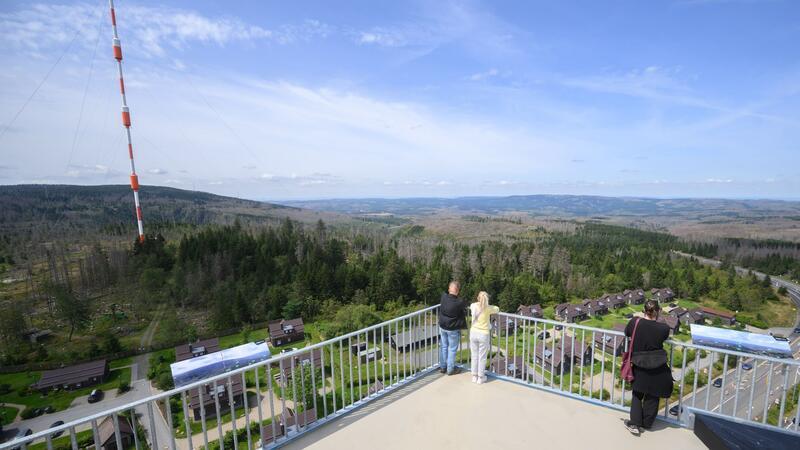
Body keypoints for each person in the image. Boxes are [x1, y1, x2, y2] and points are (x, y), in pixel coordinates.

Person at [624, 300, 673, 435]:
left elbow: (627, 332)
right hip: (657, 366)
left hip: (639, 364)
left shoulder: (635, 322)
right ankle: (647, 423)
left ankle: (635, 423)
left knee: (637, 393)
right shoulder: (664, 329)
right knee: (653, 394)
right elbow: (660, 334)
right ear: (657, 312)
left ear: (643, 310)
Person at [469, 291, 499, 384]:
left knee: (474, 355)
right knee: (482, 356)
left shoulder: (473, 305)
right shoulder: (489, 308)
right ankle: (480, 377)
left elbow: (471, 306)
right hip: (483, 334)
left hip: (473, 332)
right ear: (487, 299)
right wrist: (487, 304)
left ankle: (474, 376)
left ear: (478, 298)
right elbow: (497, 309)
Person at [438, 280, 467, 375]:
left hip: (442, 326)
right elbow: (464, 306)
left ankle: (443, 367)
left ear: (449, 289)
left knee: (443, 347)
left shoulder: (443, 297)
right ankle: (450, 369)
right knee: (452, 349)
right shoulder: (460, 302)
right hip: (453, 329)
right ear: (458, 291)